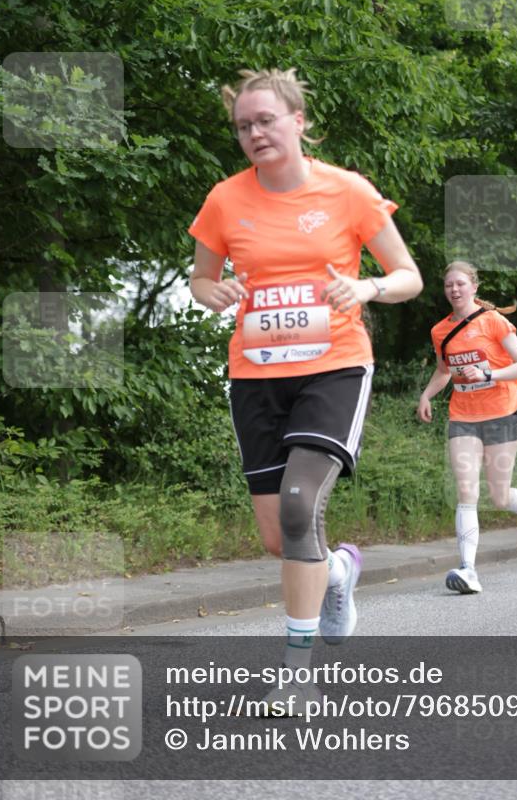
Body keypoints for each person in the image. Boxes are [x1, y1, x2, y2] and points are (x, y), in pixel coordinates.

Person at [189, 67, 423, 711]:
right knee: (280, 538)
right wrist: (218, 294)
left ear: (298, 121)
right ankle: (341, 571)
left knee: (299, 508)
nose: (254, 133)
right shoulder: (225, 199)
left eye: (266, 120)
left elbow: (408, 275)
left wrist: (367, 287)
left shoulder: (346, 191)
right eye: (243, 126)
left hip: (335, 365)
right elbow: (200, 280)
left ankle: (296, 672)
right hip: (256, 375)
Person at [417, 261, 517, 594]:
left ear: (473, 286)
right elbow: (445, 371)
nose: (454, 290)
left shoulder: (494, 321)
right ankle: (468, 569)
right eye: (448, 286)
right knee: (467, 490)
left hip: (502, 411)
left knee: (499, 497)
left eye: (460, 284)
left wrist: (488, 375)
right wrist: (427, 395)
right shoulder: (440, 330)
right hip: (463, 415)